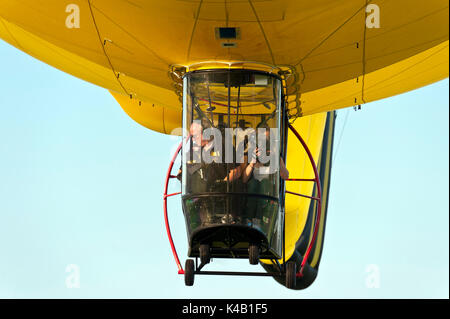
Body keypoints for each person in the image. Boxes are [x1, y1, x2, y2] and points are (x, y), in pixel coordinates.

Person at [242, 126, 289, 232]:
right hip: (252, 194)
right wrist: (251, 163)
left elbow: (285, 175)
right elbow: (244, 179)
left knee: (264, 183)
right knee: (253, 183)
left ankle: (259, 220)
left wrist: (275, 158)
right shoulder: (250, 155)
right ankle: (248, 219)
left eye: (267, 140)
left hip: (267, 195)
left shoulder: (275, 156)